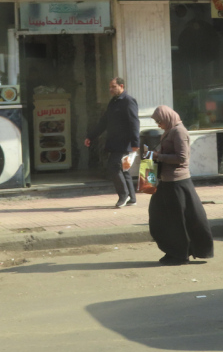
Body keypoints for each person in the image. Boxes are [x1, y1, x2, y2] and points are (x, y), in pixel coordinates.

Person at [147, 105, 214, 266]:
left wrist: (158, 156)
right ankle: (173, 251)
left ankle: (181, 254)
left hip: (177, 183)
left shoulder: (179, 131)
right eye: (156, 122)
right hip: (166, 182)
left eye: (159, 121)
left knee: (177, 222)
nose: (158, 125)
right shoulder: (170, 131)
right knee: (161, 218)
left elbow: (182, 158)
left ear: (167, 117)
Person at [84, 77, 140, 208]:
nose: (110, 89)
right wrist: (91, 136)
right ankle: (132, 198)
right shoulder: (113, 102)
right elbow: (104, 122)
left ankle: (124, 195)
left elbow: (134, 122)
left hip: (124, 143)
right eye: (109, 87)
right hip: (115, 142)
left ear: (121, 86)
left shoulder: (128, 101)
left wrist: (135, 143)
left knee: (114, 168)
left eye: (113, 86)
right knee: (123, 169)